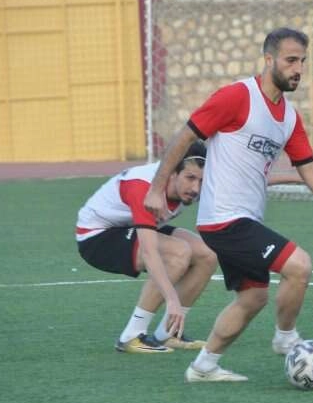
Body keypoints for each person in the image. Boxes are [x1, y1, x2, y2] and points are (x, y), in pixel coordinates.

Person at [144, 27, 313, 382]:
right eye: (291, 60)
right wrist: (157, 188)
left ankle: (204, 366)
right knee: (300, 265)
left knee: (252, 298)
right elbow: (186, 136)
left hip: (243, 220)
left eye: (302, 62)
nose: (298, 69)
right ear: (268, 59)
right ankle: (286, 337)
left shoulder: (289, 117)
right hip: (224, 219)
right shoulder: (237, 96)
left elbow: (308, 167)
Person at [75, 142, 215, 354]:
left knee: (207, 254)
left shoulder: (188, 185)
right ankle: (131, 336)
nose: (196, 188)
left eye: (201, 181)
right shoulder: (144, 188)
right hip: (97, 237)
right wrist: (172, 300)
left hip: (129, 225)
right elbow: (150, 253)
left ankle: (168, 333)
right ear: (172, 173)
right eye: (190, 178)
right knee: (178, 253)